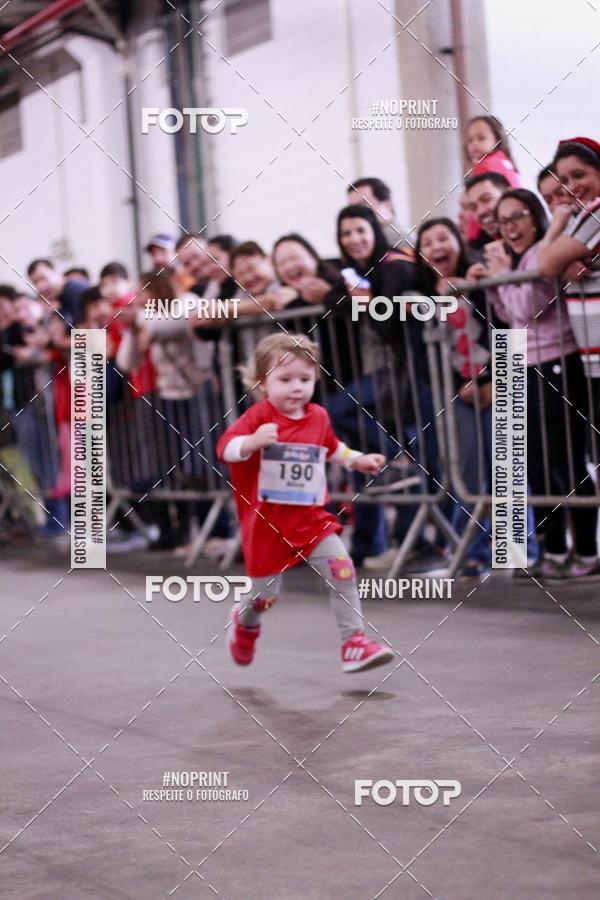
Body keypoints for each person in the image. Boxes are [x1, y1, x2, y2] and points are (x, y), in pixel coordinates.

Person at [216, 332, 394, 672]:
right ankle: (245, 622)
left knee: (342, 570)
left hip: (311, 518)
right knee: (265, 598)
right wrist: (252, 442)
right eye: (285, 379)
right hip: (268, 524)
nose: (296, 387)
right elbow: (224, 449)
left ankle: (354, 642)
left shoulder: (318, 416)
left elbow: (329, 447)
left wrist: (356, 460)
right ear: (262, 383)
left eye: (305, 378)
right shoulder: (259, 417)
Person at [485, 188, 598, 579]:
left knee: (565, 459)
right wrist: (498, 280)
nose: (510, 227)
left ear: (535, 217)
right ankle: (552, 548)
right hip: (527, 365)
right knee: (536, 461)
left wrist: (501, 274)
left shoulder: (540, 257)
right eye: (502, 221)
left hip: (558, 363)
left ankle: (585, 549)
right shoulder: (520, 260)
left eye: (517, 216)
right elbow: (506, 315)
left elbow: (527, 310)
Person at [537, 137, 600, 423]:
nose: (572, 186)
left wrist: (556, 227)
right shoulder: (583, 216)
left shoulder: (595, 212)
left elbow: (544, 263)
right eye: (565, 179)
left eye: (579, 175)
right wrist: (563, 265)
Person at [346, 177, 412, 251]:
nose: (356, 214)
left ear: (386, 204)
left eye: (363, 205)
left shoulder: (395, 237)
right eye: (353, 208)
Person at [464, 172, 510, 264]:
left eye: (486, 199)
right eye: (473, 207)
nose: (480, 212)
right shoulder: (477, 256)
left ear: (509, 194)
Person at [27, 258, 89, 326]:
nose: (41, 286)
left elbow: (86, 332)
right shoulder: (58, 298)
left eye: (43, 278)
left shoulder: (75, 290)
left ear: (56, 273)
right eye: (35, 283)